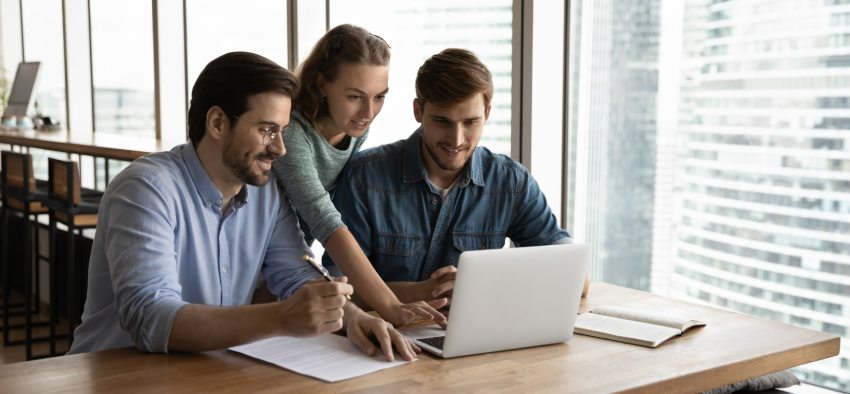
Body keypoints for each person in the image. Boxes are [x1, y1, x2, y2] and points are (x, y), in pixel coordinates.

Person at [68, 52, 417, 362]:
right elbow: (151, 319)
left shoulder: (265, 193)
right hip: (117, 378)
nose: (280, 148)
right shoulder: (145, 189)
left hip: (204, 374)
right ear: (218, 122)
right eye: (267, 130)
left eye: (282, 131)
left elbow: (296, 275)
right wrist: (280, 317)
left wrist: (353, 317)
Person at [325, 48, 590, 304]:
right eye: (442, 121)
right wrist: (424, 293)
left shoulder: (511, 183)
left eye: (470, 122)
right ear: (418, 111)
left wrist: (483, 284)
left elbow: (578, 279)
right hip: (385, 341)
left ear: (487, 113)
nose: (457, 139)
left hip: (479, 340)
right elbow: (340, 289)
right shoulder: (364, 177)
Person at [272, 24, 445, 327]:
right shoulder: (292, 133)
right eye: (355, 96)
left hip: (288, 268)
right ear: (322, 84)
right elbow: (324, 219)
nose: (368, 111)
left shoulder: (353, 129)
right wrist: (390, 306)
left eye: (380, 97)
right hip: (257, 265)